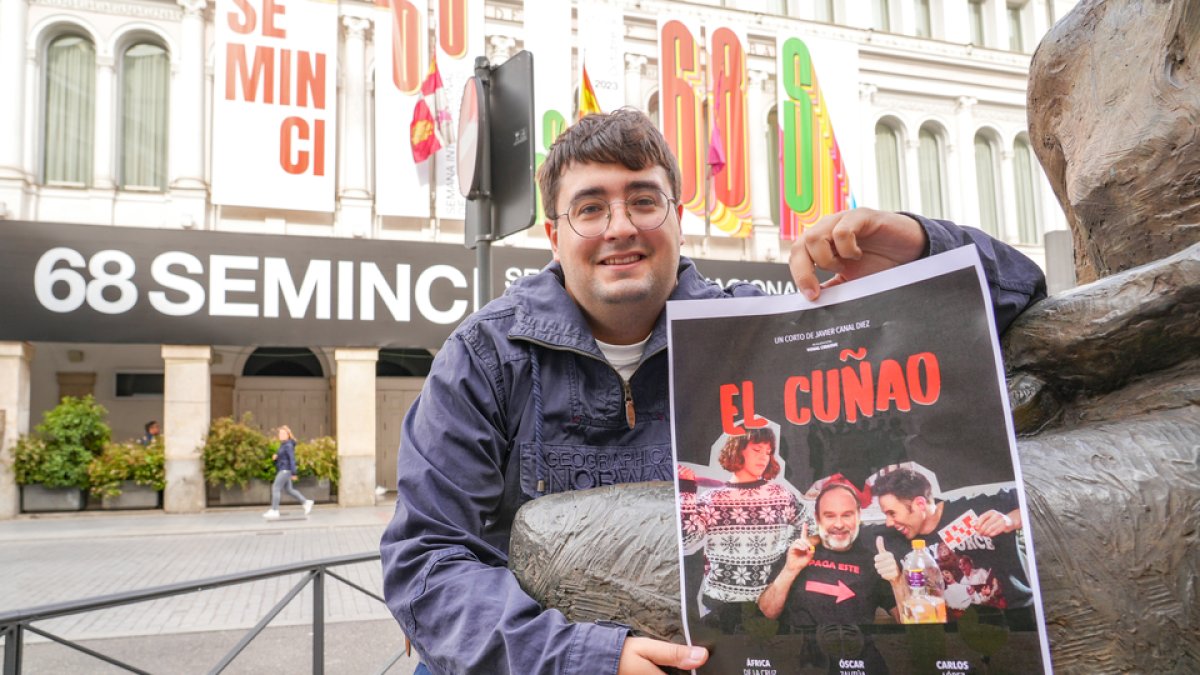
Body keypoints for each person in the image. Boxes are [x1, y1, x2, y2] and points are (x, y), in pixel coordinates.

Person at [379, 108, 1047, 675]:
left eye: (643, 199)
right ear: (554, 236)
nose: (621, 226)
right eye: (590, 208)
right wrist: (584, 657)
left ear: (677, 217)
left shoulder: (756, 330)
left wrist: (920, 249)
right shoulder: (485, 357)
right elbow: (425, 560)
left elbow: (1021, 299)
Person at [758, 483, 898, 672]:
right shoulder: (796, 552)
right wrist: (790, 571)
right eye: (830, 515)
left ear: (858, 516)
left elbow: (909, 621)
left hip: (856, 662)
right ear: (818, 518)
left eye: (847, 515)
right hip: (802, 662)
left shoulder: (874, 559)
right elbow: (768, 611)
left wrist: (897, 580)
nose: (839, 524)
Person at [678, 427, 807, 632]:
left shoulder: (781, 494)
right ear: (737, 450)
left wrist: (789, 543)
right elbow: (687, 542)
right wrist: (686, 491)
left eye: (768, 452)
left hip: (769, 604)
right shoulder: (711, 499)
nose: (764, 458)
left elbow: (810, 526)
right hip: (718, 604)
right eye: (757, 450)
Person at [871, 467, 1033, 615]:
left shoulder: (974, 506)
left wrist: (1010, 520)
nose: (889, 522)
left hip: (1019, 617)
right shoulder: (893, 538)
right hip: (955, 631)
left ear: (919, 504)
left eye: (892, 513)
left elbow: (1035, 500)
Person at [262, 425, 314, 520]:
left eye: (283, 433)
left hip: (285, 470)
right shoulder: (284, 444)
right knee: (289, 490)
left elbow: (292, 459)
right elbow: (283, 458)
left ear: (288, 435)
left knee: (275, 488)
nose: (281, 435)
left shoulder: (288, 445)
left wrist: (294, 473)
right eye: (280, 433)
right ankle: (306, 502)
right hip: (284, 469)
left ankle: (274, 510)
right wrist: (276, 458)